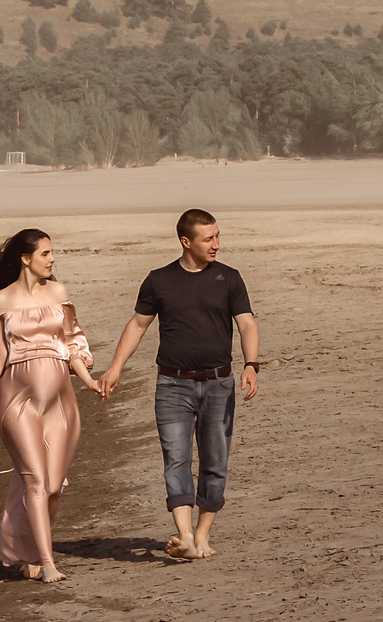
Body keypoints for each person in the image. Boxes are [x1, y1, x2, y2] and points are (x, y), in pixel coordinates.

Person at [96, 208, 260, 561]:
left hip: (219, 384)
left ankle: (202, 534)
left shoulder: (228, 278)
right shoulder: (159, 280)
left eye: (217, 236)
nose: (216, 244)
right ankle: (184, 535)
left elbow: (246, 323)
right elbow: (138, 325)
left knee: (215, 462)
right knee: (177, 460)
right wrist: (115, 368)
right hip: (172, 386)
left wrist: (250, 364)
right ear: (186, 242)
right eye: (208, 239)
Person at [0, 228, 103, 584]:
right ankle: (47, 563)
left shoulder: (58, 293)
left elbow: (72, 343)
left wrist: (89, 381)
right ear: (26, 259)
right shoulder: (2, 300)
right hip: (17, 402)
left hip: (61, 401)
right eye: (45, 254)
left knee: (54, 486)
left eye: (52, 252)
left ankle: (25, 547)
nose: (52, 259)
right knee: (35, 482)